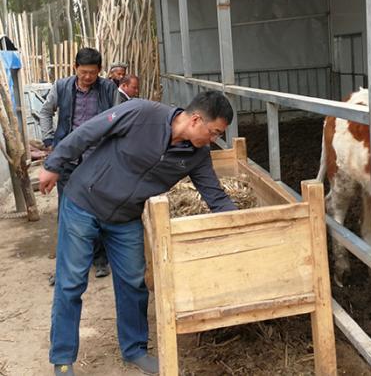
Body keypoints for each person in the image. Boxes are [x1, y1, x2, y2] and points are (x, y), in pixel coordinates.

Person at [39, 91, 237, 376]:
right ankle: (62, 358)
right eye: (215, 132)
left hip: (126, 218)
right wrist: (53, 164)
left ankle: (134, 349)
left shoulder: (197, 155)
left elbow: (216, 197)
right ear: (196, 120)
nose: (214, 139)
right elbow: (88, 132)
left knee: (134, 283)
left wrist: (245, 224)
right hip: (84, 202)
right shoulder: (141, 113)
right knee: (71, 283)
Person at [39, 47, 117, 283]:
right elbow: (45, 112)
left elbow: (118, 117)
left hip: (97, 159)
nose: (87, 77)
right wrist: (49, 141)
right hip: (69, 160)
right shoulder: (62, 87)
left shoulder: (108, 88)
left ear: (99, 71)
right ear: (75, 68)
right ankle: (64, 267)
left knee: (99, 209)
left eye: (92, 73)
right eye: (83, 72)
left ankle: (100, 259)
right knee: (67, 212)